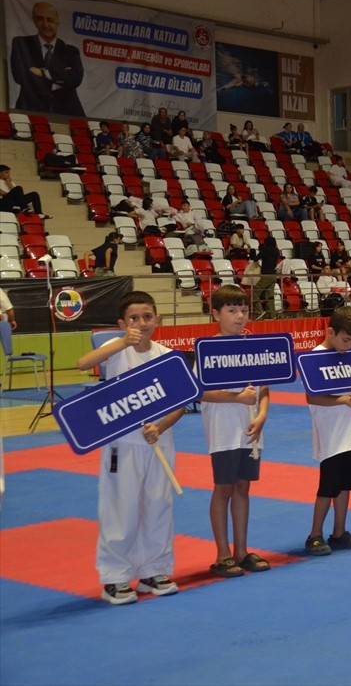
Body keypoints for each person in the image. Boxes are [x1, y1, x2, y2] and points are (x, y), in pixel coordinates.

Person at [76, 291, 186, 604]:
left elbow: (180, 402)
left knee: (158, 506)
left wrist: (161, 426)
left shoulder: (167, 355)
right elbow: (83, 363)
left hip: (159, 443)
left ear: (157, 319)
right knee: (120, 507)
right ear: (123, 323)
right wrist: (122, 342)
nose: (141, 323)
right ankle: (115, 577)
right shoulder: (116, 351)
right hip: (121, 445)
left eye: (147, 317)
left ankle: (153, 570)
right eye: (134, 318)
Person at [199, 285, 272, 578]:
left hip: (251, 429)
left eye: (243, 310)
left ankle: (241, 551)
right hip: (223, 430)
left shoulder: (254, 346)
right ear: (215, 313)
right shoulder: (208, 348)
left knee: (243, 488)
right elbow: (200, 392)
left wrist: (263, 414)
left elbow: (264, 388)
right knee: (224, 489)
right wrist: (236, 398)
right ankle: (222, 554)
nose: (240, 316)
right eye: (232, 311)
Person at [304, 306, 351, 555]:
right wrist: (341, 399)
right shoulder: (315, 357)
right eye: (345, 340)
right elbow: (312, 398)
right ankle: (315, 535)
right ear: (330, 331)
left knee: (346, 485)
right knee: (328, 487)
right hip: (330, 434)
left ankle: (340, 532)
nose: (348, 346)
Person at [9, 0, 85, 116]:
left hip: (67, 111)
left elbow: (75, 80)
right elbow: (20, 77)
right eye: (40, 19)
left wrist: (44, 73)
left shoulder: (71, 51)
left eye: (50, 20)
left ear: (57, 22)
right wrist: (61, 78)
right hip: (30, 108)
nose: (45, 25)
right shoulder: (21, 44)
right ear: (34, 20)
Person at [255, 236, 280, 318]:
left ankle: (260, 311)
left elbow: (256, 258)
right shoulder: (276, 251)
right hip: (273, 275)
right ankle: (273, 316)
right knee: (270, 296)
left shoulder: (265, 250)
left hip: (266, 275)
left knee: (254, 293)